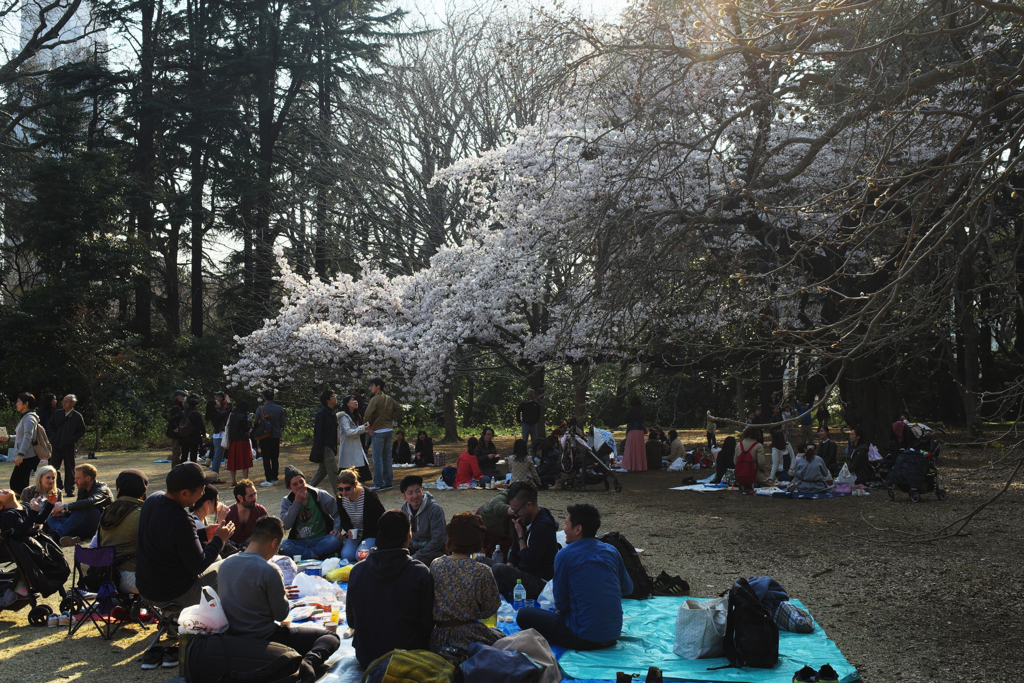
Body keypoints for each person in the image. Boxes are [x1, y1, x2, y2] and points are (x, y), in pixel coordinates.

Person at [219, 517, 340, 683]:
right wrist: (281, 594)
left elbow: (246, 597)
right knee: (330, 637)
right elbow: (281, 615)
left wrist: (276, 593)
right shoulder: (269, 569)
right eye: (278, 547)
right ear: (274, 542)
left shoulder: (225, 565)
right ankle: (306, 666)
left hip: (233, 639)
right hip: (265, 639)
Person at [517, 503, 631, 650]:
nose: (563, 528)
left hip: (582, 637)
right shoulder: (611, 551)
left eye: (566, 524)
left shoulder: (565, 555)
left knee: (524, 614)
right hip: (613, 633)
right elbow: (628, 588)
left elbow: (561, 603)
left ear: (578, 529)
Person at [136, 462, 234, 609]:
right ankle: (218, 619)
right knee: (229, 565)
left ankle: (175, 621)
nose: (203, 493)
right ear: (184, 493)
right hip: (174, 594)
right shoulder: (181, 519)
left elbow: (169, 537)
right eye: (201, 489)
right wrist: (219, 539)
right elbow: (198, 566)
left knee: (217, 558)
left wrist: (202, 533)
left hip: (146, 588)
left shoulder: (152, 500)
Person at [346, 510, 434, 667]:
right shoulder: (419, 573)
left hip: (366, 656)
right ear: (408, 537)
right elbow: (427, 625)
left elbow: (352, 621)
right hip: (407, 658)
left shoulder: (357, 571)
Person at [429, 513, 504, 654]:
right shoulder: (482, 570)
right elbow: (490, 610)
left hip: (439, 638)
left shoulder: (436, 564)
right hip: (471, 636)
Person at [491, 481, 557, 602]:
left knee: (498, 570)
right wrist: (508, 569)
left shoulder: (543, 527)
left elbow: (529, 563)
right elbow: (515, 553)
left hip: (539, 583)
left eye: (516, 511)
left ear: (529, 506)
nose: (515, 515)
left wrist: (521, 537)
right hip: (521, 575)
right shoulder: (523, 521)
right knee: (482, 563)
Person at [96, 469, 148, 594]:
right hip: (132, 577)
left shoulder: (108, 511)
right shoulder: (142, 514)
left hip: (105, 576)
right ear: (143, 492)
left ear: (118, 490)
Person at [278, 466, 344, 560]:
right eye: (295, 484)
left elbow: (337, 513)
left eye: (301, 482)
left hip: (322, 539)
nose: (300, 486)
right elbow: (286, 525)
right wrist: (296, 503)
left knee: (336, 540)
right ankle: (318, 555)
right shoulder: (286, 501)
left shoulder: (320, 495)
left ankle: (308, 554)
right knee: (283, 545)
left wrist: (336, 529)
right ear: (289, 487)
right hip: (300, 542)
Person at [45, 463, 112, 544]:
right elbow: (76, 510)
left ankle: (56, 536)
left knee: (86, 507)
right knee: (52, 519)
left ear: (88, 478)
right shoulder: (82, 489)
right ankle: (68, 537)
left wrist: (65, 506)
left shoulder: (102, 489)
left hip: (101, 527)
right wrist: (63, 514)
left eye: (77, 478)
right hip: (86, 525)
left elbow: (90, 501)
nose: (74, 481)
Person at [336, 469, 384, 562]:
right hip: (355, 533)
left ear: (355, 484)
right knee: (346, 556)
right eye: (340, 489)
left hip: (371, 533)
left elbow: (382, 516)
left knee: (361, 556)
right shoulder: (341, 498)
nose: (344, 492)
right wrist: (348, 529)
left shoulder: (369, 496)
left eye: (347, 488)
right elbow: (343, 519)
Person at [364, 378, 402, 492]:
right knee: (387, 458)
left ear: (378, 386)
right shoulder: (389, 398)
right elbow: (398, 409)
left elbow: (368, 414)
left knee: (377, 458)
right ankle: (388, 482)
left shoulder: (375, 399)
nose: (371, 388)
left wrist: (368, 427)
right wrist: (389, 418)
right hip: (389, 430)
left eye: (372, 385)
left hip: (378, 431)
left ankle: (379, 483)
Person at [400, 475, 447, 565]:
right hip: (414, 546)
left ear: (422, 491)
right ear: (404, 496)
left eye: (417, 491)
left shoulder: (434, 510)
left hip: (434, 550)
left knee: (416, 564)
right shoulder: (404, 508)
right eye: (410, 493)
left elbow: (438, 540)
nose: (415, 496)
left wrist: (416, 556)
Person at [48, 394, 86, 497]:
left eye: (66, 401)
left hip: (69, 446)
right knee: (53, 467)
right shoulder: (57, 414)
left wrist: (72, 439)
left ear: (72, 403)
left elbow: (81, 430)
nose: (63, 403)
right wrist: (53, 437)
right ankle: (55, 487)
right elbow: (50, 426)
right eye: (63, 401)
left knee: (70, 468)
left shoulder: (77, 416)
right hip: (56, 445)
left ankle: (70, 490)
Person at [222, 480, 268, 552]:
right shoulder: (228, 513)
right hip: (231, 551)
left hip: (253, 549)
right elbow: (219, 537)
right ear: (240, 498)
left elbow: (269, 534)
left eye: (255, 494)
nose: (254, 498)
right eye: (250, 496)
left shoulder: (260, 511)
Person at [310, 390, 340, 496]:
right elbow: (317, 433)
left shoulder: (332, 413)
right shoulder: (321, 414)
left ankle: (306, 490)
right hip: (325, 447)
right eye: (332, 396)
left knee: (321, 472)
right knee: (333, 473)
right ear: (328, 400)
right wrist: (319, 449)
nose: (335, 397)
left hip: (330, 447)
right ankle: (340, 496)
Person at [10, 393, 41, 493]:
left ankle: (25, 504)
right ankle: (25, 504)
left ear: (26, 403)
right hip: (25, 455)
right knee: (21, 483)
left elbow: (28, 438)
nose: (17, 404)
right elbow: (21, 437)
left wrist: (20, 454)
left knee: (15, 483)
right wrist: (8, 438)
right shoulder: (25, 417)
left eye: (19, 401)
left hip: (27, 456)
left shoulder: (29, 418)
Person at [258, 389, 287, 488]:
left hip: (264, 436)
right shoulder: (279, 409)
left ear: (264, 398)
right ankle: (275, 478)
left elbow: (257, 422)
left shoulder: (260, 409)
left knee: (266, 458)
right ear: (274, 397)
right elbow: (282, 424)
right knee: (275, 457)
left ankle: (268, 478)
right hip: (275, 435)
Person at [337, 395, 369, 472]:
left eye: (355, 400)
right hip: (349, 448)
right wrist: (363, 428)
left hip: (356, 448)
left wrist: (364, 427)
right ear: (347, 403)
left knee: (362, 472)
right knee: (349, 472)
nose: (356, 401)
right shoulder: (344, 417)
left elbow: (355, 430)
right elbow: (348, 432)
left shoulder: (355, 416)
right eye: (352, 400)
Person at [225, 399, 253, 487]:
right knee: (244, 460)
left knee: (232, 460)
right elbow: (246, 429)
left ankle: (233, 480)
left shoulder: (232, 415)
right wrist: (250, 422)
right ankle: (245, 480)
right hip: (242, 440)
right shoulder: (243, 416)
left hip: (233, 440)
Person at [735, 425, 768, 490]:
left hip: (739, 474)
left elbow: (735, 461)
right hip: (753, 473)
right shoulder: (758, 446)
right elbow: (761, 463)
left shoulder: (739, 445)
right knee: (770, 484)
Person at [209, 392, 232, 481]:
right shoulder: (217, 414)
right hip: (220, 436)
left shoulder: (214, 414)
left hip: (216, 436)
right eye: (217, 403)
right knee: (217, 458)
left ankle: (214, 476)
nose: (218, 403)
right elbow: (228, 411)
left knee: (217, 457)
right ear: (215, 406)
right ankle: (214, 477)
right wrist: (229, 402)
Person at [178, 397, 207, 467]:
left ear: (188, 405)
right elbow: (201, 425)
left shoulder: (182, 413)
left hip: (184, 437)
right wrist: (203, 434)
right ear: (196, 405)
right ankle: (192, 470)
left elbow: (174, 420)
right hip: (194, 437)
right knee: (193, 455)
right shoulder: (197, 414)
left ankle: (182, 470)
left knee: (184, 455)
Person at [621, 396, 647, 471]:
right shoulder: (642, 411)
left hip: (633, 430)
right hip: (640, 431)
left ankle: (630, 466)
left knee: (631, 448)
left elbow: (626, 419)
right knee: (639, 449)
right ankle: (640, 466)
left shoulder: (631, 410)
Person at [515, 389, 543, 456]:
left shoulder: (536, 404)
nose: (528, 398)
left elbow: (539, 413)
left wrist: (536, 421)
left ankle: (533, 454)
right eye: (527, 396)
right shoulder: (523, 404)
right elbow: (518, 411)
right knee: (524, 439)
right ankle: (524, 453)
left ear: (532, 397)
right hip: (525, 424)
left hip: (533, 424)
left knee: (534, 440)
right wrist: (519, 421)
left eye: (529, 396)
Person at [167, 390, 187, 467]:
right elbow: (173, 419)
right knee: (176, 451)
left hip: (177, 431)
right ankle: (175, 468)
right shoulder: (176, 407)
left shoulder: (179, 406)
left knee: (177, 451)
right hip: (175, 432)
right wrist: (175, 428)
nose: (184, 398)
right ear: (179, 398)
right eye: (183, 397)